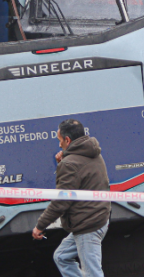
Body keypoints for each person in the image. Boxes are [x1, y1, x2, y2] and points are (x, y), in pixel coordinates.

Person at [33, 119, 110, 277]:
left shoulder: (70, 163)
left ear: (67, 140)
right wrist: (63, 162)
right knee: (61, 257)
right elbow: (79, 177)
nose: (59, 144)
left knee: (93, 273)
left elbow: (61, 201)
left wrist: (40, 226)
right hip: (99, 218)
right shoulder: (92, 153)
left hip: (86, 225)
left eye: (60, 140)